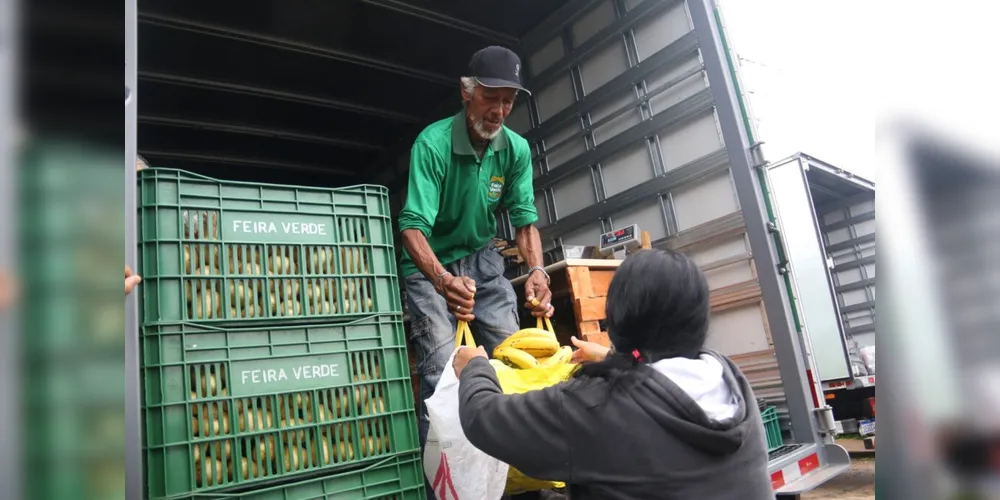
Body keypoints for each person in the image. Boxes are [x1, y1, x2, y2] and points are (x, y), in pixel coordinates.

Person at [453, 249, 774, 500]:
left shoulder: (597, 405)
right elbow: (663, 388)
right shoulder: (730, 377)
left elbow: (484, 419)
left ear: (618, 321)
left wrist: (475, 369)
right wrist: (614, 359)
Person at [397, 45, 554, 499]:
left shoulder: (515, 149)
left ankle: (513, 480)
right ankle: (445, 488)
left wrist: (538, 270)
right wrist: (443, 281)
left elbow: (524, 221)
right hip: (430, 264)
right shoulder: (432, 144)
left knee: (510, 358)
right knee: (444, 375)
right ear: (467, 93)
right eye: (492, 97)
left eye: (509, 100)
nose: (500, 110)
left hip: (483, 258)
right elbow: (410, 229)